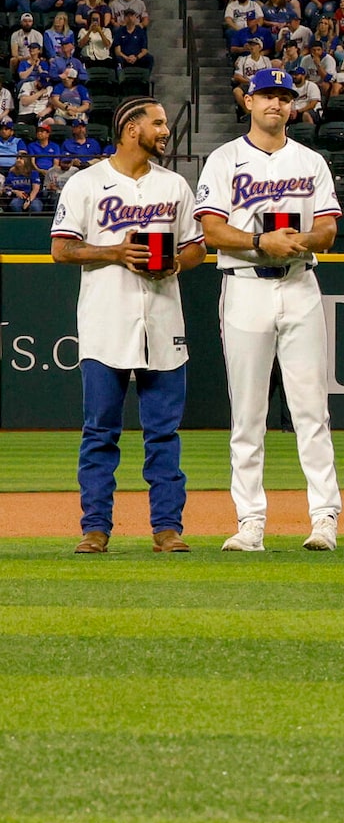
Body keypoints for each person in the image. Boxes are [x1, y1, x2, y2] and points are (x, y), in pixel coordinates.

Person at [197, 67, 344, 552]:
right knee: (247, 412)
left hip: (300, 284)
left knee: (311, 409)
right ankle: (250, 522)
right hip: (244, 287)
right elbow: (211, 232)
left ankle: (324, 517)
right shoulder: (224, 160)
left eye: (284, 97)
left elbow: (328, 230)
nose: (275, 104)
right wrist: (263, 241)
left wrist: (294, 242)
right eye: (267, 95)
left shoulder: (310, 161)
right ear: (248, 101)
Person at [61, 98, 201, 555]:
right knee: (100, 432)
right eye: (157, 123)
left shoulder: (175, 185)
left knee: (164, 433)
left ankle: (167, 529)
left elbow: (196, 248)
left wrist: (176, 263)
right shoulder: (87, 183)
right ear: (130, 128)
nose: (164, 131)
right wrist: (114, 252)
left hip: (162, 321)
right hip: (107, 323)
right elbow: (62, 249)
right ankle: (95, 528)